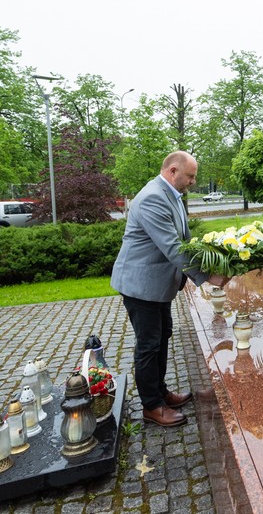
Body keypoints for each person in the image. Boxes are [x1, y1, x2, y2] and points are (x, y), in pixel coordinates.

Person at [111, 151, 228, 427]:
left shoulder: (170, 195)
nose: (194, 181)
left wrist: (214, 254)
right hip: (141, 286)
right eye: (190, 176)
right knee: (149, 345)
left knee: (162, 335)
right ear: (173, 171)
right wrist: (207, 275)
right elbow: (173, 247)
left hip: (157, 286)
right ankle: (151, 406)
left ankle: (160, 393)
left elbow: (184, 241)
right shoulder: (153, 197)